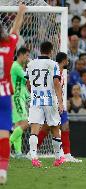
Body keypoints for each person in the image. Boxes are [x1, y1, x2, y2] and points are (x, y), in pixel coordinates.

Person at [36, 52, 82, 163]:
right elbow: (53, 86)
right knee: (56, 127)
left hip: (56, 103)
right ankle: (65, 154)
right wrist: (59, 102)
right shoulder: (55, 71)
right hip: (53, 103)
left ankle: (66, 154)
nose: (68, 62)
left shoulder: (60, 72)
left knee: (54, 127)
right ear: (64, 60)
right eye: (67, 60)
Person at [25, 41, 65, 168]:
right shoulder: (53, 64)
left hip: (36, 99)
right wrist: (60, 102)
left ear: (40, 50)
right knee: (55, 128)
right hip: (50, 100)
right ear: (51, 51)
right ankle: (58, 157)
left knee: (34, 129)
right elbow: (56, 83)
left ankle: (34, 157)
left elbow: (28, 84)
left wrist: (35, 93)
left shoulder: (30, 64)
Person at [0, 3, 26, 184]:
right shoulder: (9, 44)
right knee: (3, 134)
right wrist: (21, 12)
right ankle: (2, 171)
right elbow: (15, 28)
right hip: (4, 96)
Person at [10, 47, 30, 158]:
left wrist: (28, 96)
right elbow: (28, 77)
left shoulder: (20, 67)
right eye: (27, 56)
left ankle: (18, 153)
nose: (28, 58)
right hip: (16, 98)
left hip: (20, 97)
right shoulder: (16, 66)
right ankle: (6, 145)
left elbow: (22, 85)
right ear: (21, 55)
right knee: (26, 123)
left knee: (18, 125)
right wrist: (33, 67)